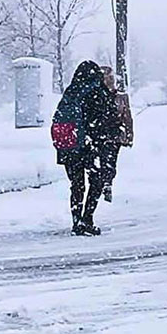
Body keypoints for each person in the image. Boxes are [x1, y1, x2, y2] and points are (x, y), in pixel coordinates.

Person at [52, 61, 118, 235]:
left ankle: (76, 221)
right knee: (96, 181)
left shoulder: (71, 91)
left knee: (76, 184)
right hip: (89, 145)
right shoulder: (97, 91)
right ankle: (87, 218)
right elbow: (106, 118)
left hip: (69, 145)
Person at [99, 66, 134, 202]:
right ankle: (104, 183)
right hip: (100, 135)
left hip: (114, 135)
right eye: (107, 78)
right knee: (103, 161)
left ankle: (107, 183)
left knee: (110, 161)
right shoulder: (96, 96)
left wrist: (129, 136)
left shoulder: (121, 97)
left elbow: (127, 117)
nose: (110, 80)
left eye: (111, 77)